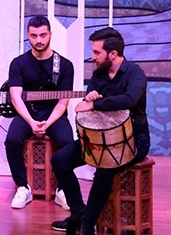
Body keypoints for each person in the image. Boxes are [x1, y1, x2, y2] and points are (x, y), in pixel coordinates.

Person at [50, 27, 150, 235]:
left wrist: (96, 103)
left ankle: (88, 222)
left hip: (133, 138)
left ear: (113, 54)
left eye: (97, 52)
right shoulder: (98, 75)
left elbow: (129, 100)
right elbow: (88, 107)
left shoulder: (135, 74)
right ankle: (79, 213)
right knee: (60, 160)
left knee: (105, 168)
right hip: (98, 138)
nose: (93, 57)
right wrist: (90, 98)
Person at [5, 16, 75, 210]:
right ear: (28, 36)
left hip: (54, 114)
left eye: (43, 35)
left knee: (68, 142)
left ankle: (63, 189)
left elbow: (63, 101)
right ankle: (22, 186)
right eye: (34, 36)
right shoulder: (18, 63)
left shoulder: (64, 65)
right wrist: (31, 122)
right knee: (11, 141)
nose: (39, 40)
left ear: (50, 34)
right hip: (26, 114)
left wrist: (47, 123)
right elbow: (16, 98)